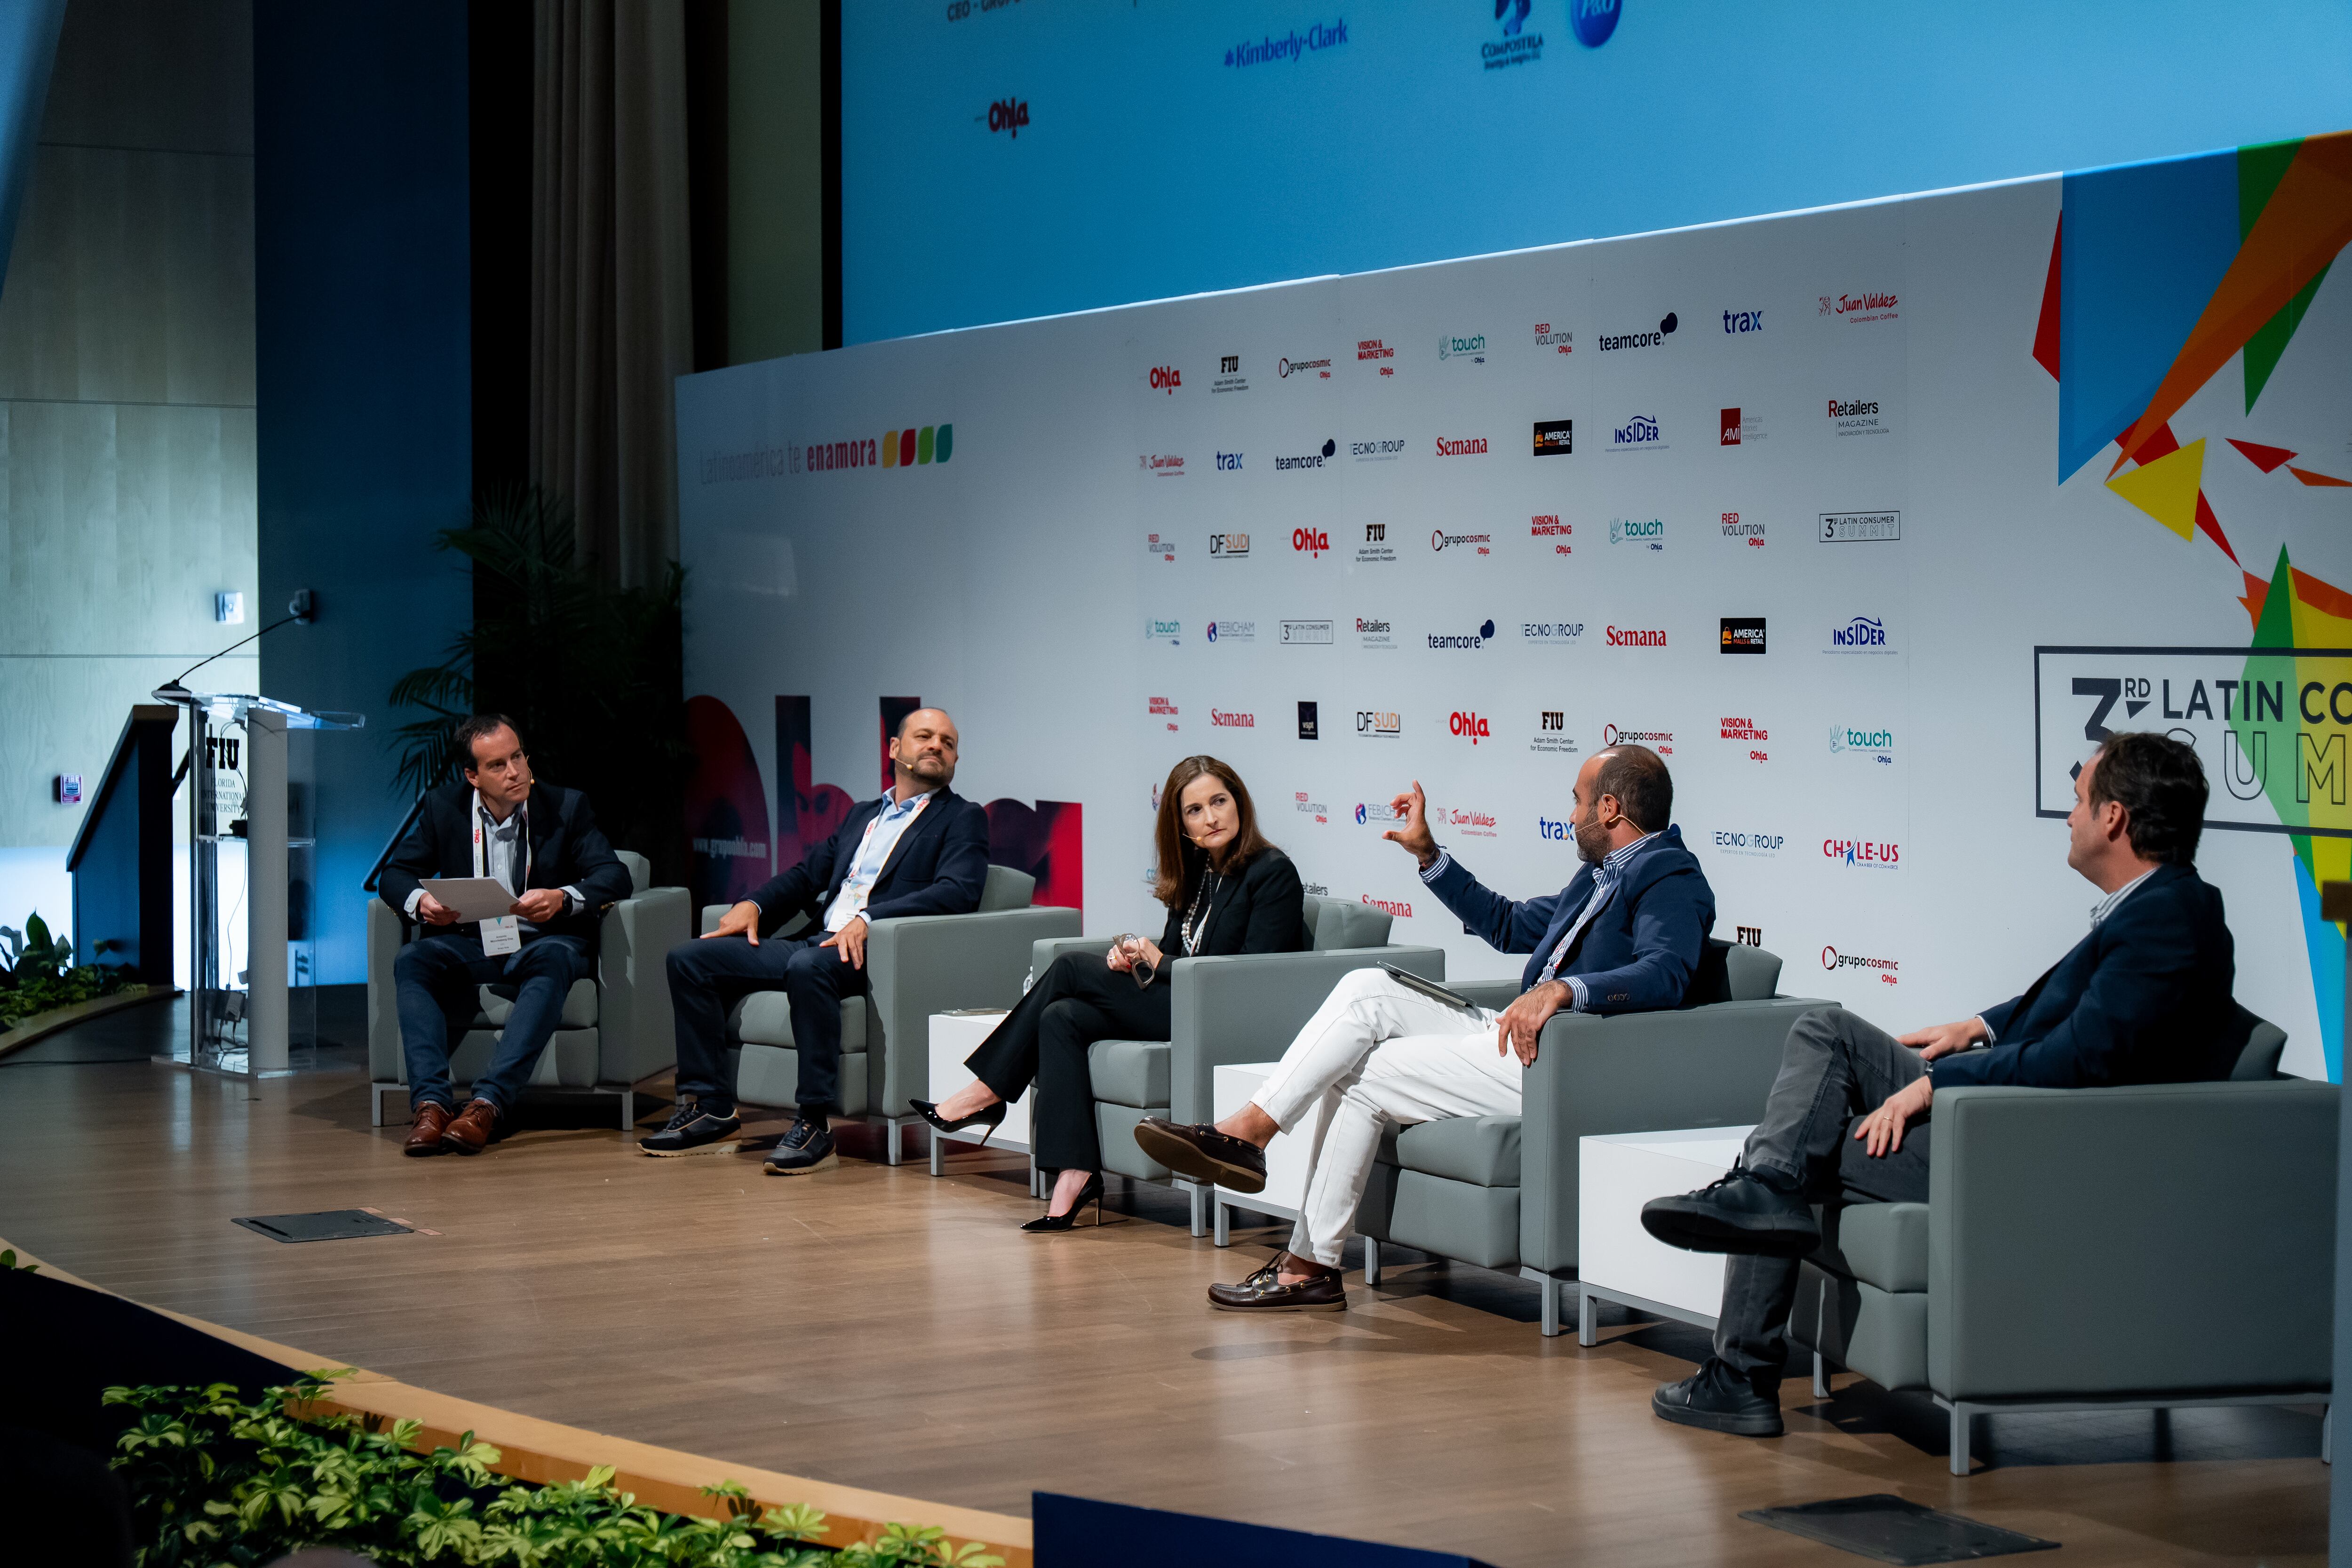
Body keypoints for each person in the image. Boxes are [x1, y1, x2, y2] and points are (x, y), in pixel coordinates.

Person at [1640, 732, 2236, 1437]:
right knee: (1824, 1038)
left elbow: (2080, 1057)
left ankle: (1741, 1371)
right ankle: (1764, 1205)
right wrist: (1977, 1027)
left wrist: (1936, 1083)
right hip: (2014, 1116)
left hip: (2020, 1146)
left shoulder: (2166, 918)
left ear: (2115, 818)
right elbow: (2080, 1012)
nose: (2070, 816)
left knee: (1792, 1149)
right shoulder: (2160, 904)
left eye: (2079, 801)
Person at [1138, 744, 1716, 1310]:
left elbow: (1664, 973)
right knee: (1368, 987)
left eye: (1577, 801)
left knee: (1363, 1074)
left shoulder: (1670, 876)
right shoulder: (1596, 877)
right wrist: (1428, 854)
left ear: (1608, 809)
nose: (1570, 815)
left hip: (1561, 1060)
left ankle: (1307, 1265)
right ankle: (1248, 1133)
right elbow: (1509, 924)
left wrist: (1564, 989)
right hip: (1512, 1034)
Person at [914, 756, 1309, 1230]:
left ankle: (988, 1091)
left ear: (1239, 803)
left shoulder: (1273, 872)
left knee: (1067, 967)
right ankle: (1075, 1175)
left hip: (1224, 1014)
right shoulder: (1199, 870)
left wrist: (1161, 963)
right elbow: (1176, 951)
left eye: (1219, 802)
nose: (1211, 817)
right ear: (1181, 825)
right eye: (1195, 810)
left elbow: (1254, 974)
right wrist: (1137, 959)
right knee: (1060, 1016)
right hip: (1183, 1003)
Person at [644, 708, 988, 1173]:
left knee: (806, 968)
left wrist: (870, 919)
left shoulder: (962, 818)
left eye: (947, 743)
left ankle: (813, 1124)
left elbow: (958, 891)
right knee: (690, 959)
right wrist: (754, 904)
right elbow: (808, 876)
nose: (936, 746)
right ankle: (712, 1109)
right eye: (924, 736)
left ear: (955, 760)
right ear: (894, 749)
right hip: (817, 941)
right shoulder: (863, 815)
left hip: (876, 951)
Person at [380, 713, 633, 1156]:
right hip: (472, 942)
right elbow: (395, 874)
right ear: (472, 776)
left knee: (555, 958)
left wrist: (563, 898)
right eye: (498, 765)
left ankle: (487, 1104)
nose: (515, 771)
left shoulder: (566, 807)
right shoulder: (444, 807)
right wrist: (423, 902)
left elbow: (614, 875)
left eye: (518, 757)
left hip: (543, 941)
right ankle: (431, 1106)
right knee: (413, 960)